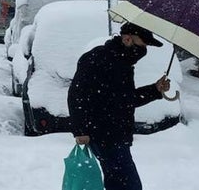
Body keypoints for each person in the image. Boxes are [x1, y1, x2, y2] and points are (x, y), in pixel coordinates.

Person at [68, 23, 171, 190]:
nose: (143, 51)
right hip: (102, 133)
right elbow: (76, 95)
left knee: (119, 182)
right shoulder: (98, 58)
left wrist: (155, 90)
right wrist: (80, 130)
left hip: (118, 134)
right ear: (127, 38)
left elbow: (125, 99)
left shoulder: (124, 63)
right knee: (129, 185)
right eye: (141, 45)